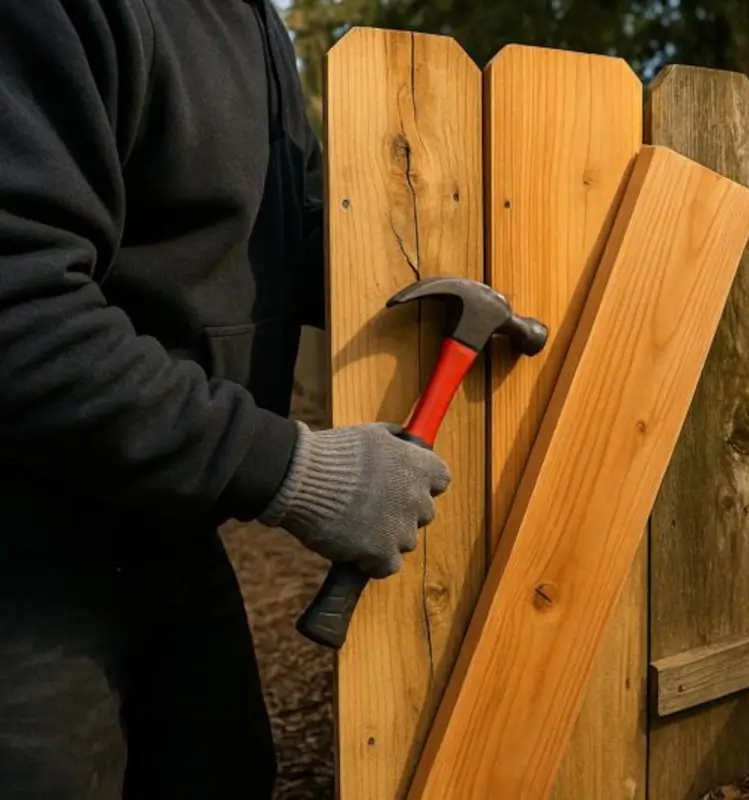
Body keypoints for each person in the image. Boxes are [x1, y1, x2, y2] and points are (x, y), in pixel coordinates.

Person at [0, 1, 451, 797]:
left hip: (164, 519)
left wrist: (417, 272)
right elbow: (20, 310)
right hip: (27, 546)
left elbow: (267, 238)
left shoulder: (246, 17)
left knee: (228, 772)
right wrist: (292, 469)